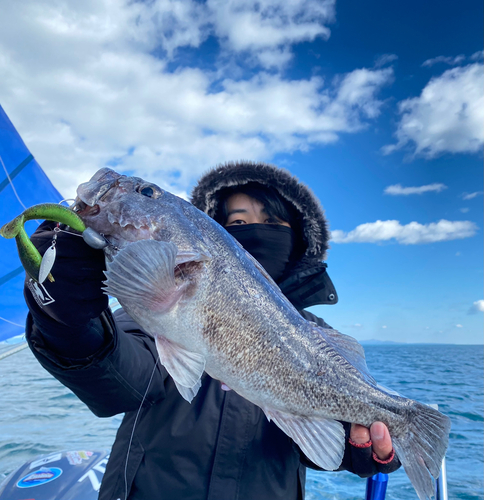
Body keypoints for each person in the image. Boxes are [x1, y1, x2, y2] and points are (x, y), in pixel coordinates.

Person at [23, 161, 400, 500]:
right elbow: (120, 377)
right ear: (214, 232)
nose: (253, 230)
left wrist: (359, 450)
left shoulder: (317, 335)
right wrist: (67, 321)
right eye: (236, 223)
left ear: (297, 236)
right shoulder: (144, 309)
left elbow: (323, 443)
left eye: (272, 222)